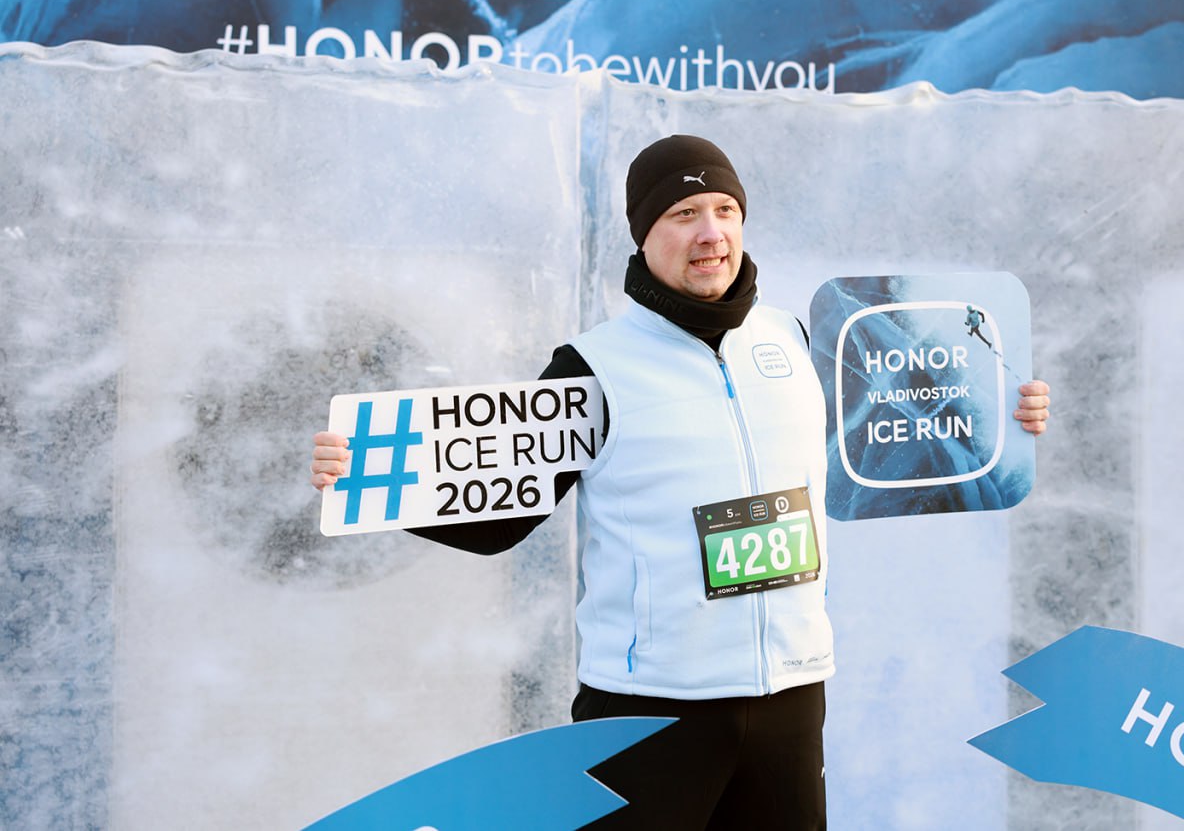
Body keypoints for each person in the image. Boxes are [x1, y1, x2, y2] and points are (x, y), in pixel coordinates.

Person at [310, 135, 1052, 829]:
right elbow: (501, 516)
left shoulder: (800, 341)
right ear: (644, 234)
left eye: (726, 210)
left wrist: (1007, 411)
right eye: (685, 213)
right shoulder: (592, 368)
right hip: (648, 709)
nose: (711, 233)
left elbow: (911, 432)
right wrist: (367, 478)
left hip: (791, 694)